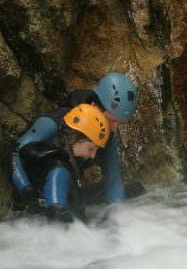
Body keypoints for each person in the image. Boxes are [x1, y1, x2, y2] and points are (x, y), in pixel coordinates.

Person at [11, 103, 110, 222]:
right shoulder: (59, 170)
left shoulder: (68, 163)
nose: (93, 156)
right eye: (91, 149)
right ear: (72, 139)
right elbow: (57, 215)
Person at [64, 73, 141, 203]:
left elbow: (113, 180)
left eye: (120, 124)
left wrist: (118, 213)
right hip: (48, 191)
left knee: (135, 188)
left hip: (73, 188)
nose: (114, 128)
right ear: (94, 107)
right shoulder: (66, 122)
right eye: (111, 121)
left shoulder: (110, 138)